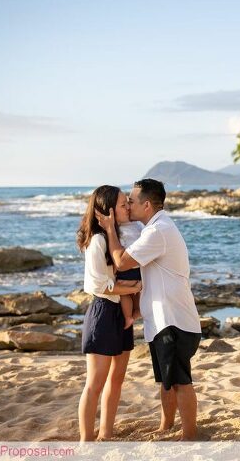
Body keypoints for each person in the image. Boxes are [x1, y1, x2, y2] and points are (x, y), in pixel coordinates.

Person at [96, 178, 202, 441]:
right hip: (163, 320)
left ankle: (190, 436)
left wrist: (110, 230)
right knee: (166, 380)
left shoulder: (157, 232)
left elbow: (120, 262)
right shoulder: (155, 228)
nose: (128, 205)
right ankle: (166, 426)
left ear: (146, 205)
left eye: (131, 201)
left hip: (173, 321)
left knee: (179, 380)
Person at [76, 185, 142, 442]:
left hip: (119, 311)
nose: (128, 207)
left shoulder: (123, 236)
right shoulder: (98, 241)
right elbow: (96, 285)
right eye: (124, 204)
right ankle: (85, 441)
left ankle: (106, 433)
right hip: (103, 313)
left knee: (117, 380)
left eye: (128, 202)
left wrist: (134, 287)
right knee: (94, 384)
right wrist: (134, 286)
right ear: (108, 210)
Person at [116, 220, 143, 329]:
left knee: (124, 293)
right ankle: (138, 310)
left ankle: (128, 317)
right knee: (136, 292)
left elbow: (118, 249)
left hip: (127, 265)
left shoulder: (120, 227)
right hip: (139, 265)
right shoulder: (139, 224)